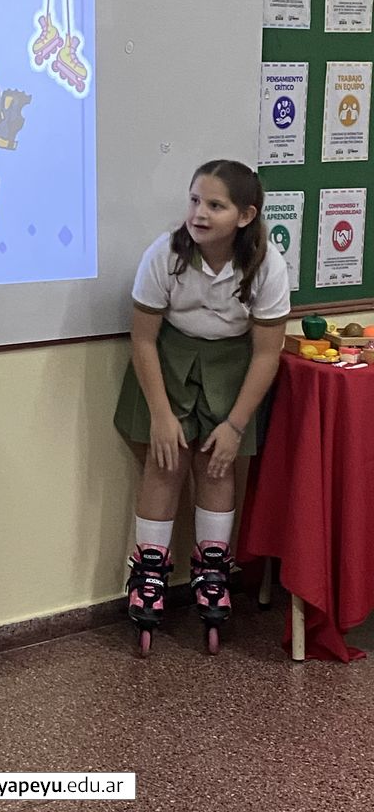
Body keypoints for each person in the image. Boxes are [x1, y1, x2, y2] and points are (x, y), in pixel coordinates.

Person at [114, 159, 289, 655]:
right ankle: (149, 570)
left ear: (246, 215)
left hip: (232, 366)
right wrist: (161, 415)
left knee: (217, 465)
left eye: (215, 205)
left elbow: (267, 353)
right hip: (168, 360)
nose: (200, 213)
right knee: (164, 462)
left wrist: (235, 425)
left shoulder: (267, 265)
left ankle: (213, 568)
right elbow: (143, 339)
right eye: (195, 200)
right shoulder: (165, 254)